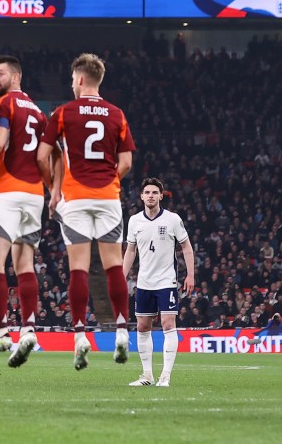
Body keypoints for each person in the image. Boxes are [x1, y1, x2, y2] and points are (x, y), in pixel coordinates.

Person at [37, 53, 135, 371]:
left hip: (75, 198)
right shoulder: (117, 114)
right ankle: (122, 333)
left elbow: (42, 156)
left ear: (80, 79)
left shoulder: (63, 113)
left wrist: (54, 192)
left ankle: (80, 337)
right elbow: (127, 162)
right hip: (107, 198)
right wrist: (110, 182)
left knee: (78, 268)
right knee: (113, 266)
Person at [0, 55, 51, 366]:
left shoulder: (5, 105)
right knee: (25, 264)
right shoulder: (39, 113)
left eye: (0, 73)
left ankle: (2, 331)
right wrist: (51, 190)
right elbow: (46, 156)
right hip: (34, 195)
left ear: (15, 76)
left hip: (4, 191)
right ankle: (29, 329)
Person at [122, 178, 195, 387]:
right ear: (142, 196)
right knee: (143, 326)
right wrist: (121, 276)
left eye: (155, 192)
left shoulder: (172, 219)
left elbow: (187, 247)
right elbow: (130, 250)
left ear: (161, 196)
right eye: (147, 192)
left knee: (167, 323)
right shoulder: (135, 221)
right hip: (144, 282)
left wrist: (190, 275)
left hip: (167, 281)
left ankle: (165, 376)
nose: (151, 195)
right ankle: (147, 376)